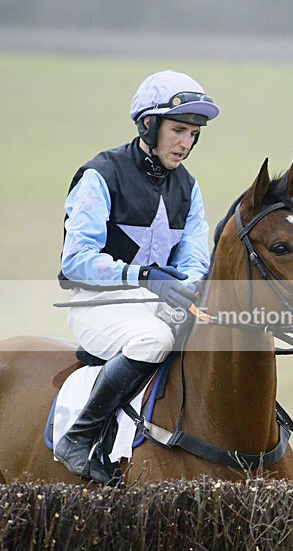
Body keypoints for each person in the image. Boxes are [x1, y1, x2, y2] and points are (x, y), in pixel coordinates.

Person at [54, 70, 219, 483]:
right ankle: (79, 436)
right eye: (178, 130)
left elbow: (196, 259)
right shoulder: (100, 174)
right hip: (97, 301)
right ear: (148, 124)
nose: (187, 143)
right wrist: (143, 275)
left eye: (193, 134)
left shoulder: (189, 188)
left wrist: (185, 288)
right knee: (156, 340)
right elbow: (75, 261)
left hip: (157, 302)